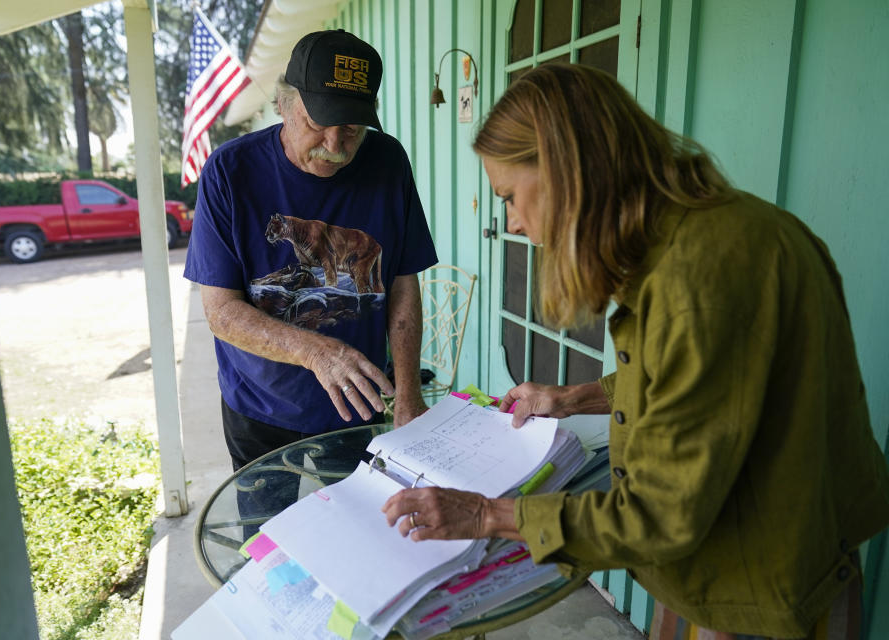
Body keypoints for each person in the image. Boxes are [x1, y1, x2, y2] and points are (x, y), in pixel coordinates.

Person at [382, 63, 889, 640]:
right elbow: (699, 379)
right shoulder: (706, 235)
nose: (514, 223)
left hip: (761, 586)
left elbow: (659, 514)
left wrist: (486, 514)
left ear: (568, 171)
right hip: (729, 557)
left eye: (510, 197)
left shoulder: (699, 283)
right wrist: (570, 398)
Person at [184, 29, 437, 475]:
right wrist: (319, 353)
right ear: (283, 104)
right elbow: (221, 313)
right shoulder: (229, 171)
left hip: (358, 403)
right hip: (258, 405)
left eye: (352, 128)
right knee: (263, 539)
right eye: (318, 124)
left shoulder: (389, 162)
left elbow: (402, 283)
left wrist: (409, 392)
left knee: (355, 529)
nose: (336, 146)